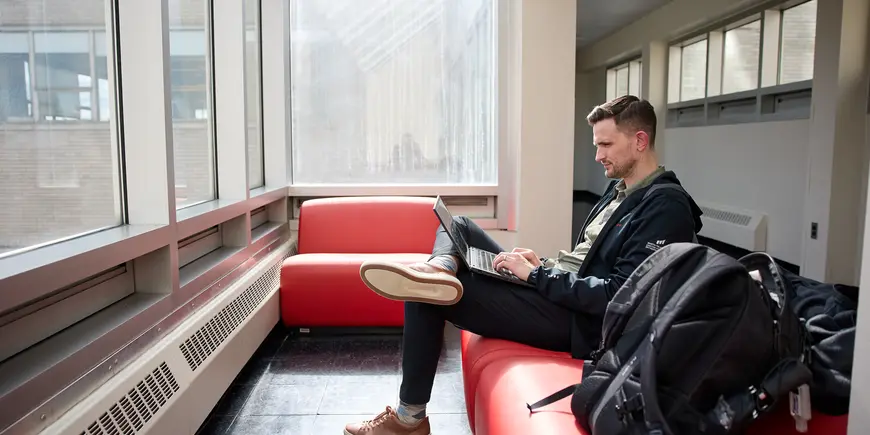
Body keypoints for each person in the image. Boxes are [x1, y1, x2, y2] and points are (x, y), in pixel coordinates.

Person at [343, 95, 704, 435]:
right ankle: (441, 268)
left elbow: (621, 299)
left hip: (584, 325)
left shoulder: (666, 209)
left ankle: (409, 421)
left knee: (422, 295)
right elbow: (588, 261)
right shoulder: (621, 189)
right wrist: (543, 264)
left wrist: (537, 275)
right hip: (563, 293)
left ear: (640, 141)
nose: (597, 155)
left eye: (605, 145)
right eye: (597, 144)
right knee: (462, 227)